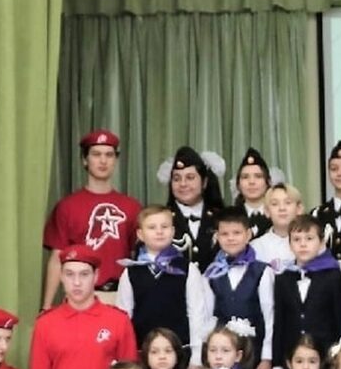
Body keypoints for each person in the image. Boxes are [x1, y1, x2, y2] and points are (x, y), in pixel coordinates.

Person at [42, 129, 141, 308]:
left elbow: (140, 257)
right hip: (80, 298)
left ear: (116, 160)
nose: (103, 161)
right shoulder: (67, 206)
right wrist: (46, 306)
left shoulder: (132, 207)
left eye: (109, 155)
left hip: (121, 296)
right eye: (96, 154)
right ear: (85, 159)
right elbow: (57, 258)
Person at [188, 205, 273, 369]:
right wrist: (202, 356)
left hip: (254, 353)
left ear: (248, 235)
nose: (231, 238)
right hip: (221, 356)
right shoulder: (212, 273)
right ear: (217, 237)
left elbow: (269, 315)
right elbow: (207, 317)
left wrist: (267, 357)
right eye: (225, 234)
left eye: (237, 233)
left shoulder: (262, 271)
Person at [272, 214, 341, 369]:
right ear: (289, 244)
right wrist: (277, 364)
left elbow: (340, 319)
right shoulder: (284, 278)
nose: (303, 244)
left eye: (309, 238)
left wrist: (339, 358)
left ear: (322, 242)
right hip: (292, 359)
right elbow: (279, 322)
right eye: (296, 239)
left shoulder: (334, 276)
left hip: (326, 357)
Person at [117, 206, 193, 356]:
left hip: (180, 351)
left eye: (164, 227)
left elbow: (196, 314)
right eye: (152, 227)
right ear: (140, 234)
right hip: (142, 351)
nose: (159, 231)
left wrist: (196, 355)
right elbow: (123, 317)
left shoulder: (187, 269)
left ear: (172, 231)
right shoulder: (131, 272)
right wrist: (127, 353)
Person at [163, 146, 227, 272]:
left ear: (204, 182)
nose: (183, 184)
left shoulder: (221, 218)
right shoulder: (160, 219)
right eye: (176, 179)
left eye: (190, 177)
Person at [253, 183, 305, 274]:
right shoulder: (256, 247)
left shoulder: (311, 243)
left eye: (288, 203)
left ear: (299, 209)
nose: (282, 208)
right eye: (275, 204)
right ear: (267, 211)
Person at [232, 146, 274, 238]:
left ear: (268, 182)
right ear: (238, 184)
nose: (251, 182)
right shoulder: (230, 217)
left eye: (258, 176)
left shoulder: (277, 215)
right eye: (245, 177)